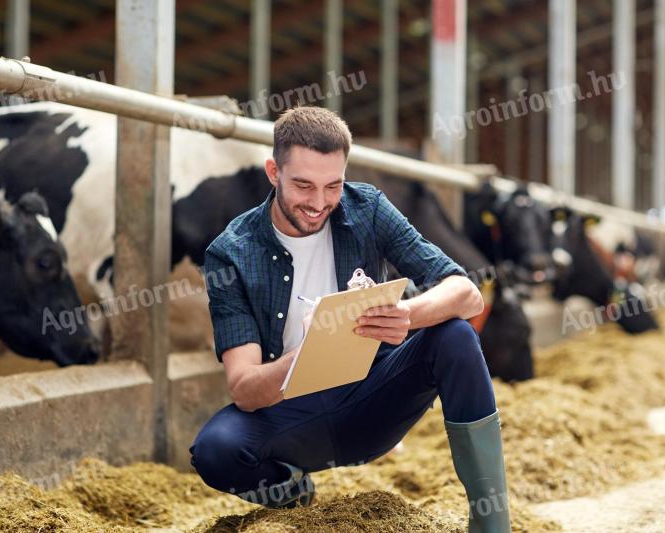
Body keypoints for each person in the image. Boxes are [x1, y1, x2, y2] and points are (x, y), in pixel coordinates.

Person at [190, 106, 511, 532]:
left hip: (373, 398)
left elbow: (466, 294)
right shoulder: (230, 253)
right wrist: (307, 356)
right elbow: (245, 390)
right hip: (291, 416)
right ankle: (290, 491)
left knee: (455, 336)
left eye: (333, 185)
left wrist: (405, 316)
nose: (319, 203)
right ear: (273, 172)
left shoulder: (367, 208)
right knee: (215, 449)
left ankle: (492, 524)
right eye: (303, 185)